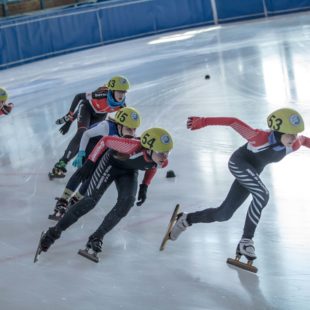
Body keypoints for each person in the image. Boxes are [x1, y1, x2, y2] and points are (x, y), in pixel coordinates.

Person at [169, 108, 310, 263]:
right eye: (289, 133)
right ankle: (246, 241)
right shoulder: (258, 137)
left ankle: (186, 219)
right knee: (262, 194)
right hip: (238, 163)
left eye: (295, 133)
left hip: (252, 172)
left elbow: (305, 140)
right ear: (276, 131)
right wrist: (203, 121)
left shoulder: (294, 144)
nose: (293, 138)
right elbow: (232, 121)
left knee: (223, 214)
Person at [38, 127, 173, 261]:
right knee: (90, 201)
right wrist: (90, 163)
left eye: (167, 153)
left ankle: (97, 237)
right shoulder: (131, 146)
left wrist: (145, 186)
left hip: (129, 171)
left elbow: (152, 166)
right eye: (161, 153)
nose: (165, 157)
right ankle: (53, 233)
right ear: (149, 148)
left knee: (127, 202)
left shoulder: (161, 161)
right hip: (111, 164)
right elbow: (104, 140)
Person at [49, 106, 142, 220]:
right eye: (129, 129)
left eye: (134, 129)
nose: (132, 133)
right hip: (91, 143)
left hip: (103, 148)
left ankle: (74, 201)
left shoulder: (126, 133)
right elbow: (86, 134)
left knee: (93, 178)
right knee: (82, 172)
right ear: (119, 125)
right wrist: (81, 152)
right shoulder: (106, 127)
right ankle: (62, 201)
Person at [49, 75, 130, 179]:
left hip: (100, 115)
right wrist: (70, 118)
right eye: (119, 91)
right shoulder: (101, 94)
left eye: (124, 92)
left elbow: (125, 124)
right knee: (81, 133)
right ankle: (62, 163)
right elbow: (79, 97)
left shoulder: (122, 106)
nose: (121, 95)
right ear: (112, 90)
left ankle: (81, 162)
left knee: (89, 138)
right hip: (86, 108)